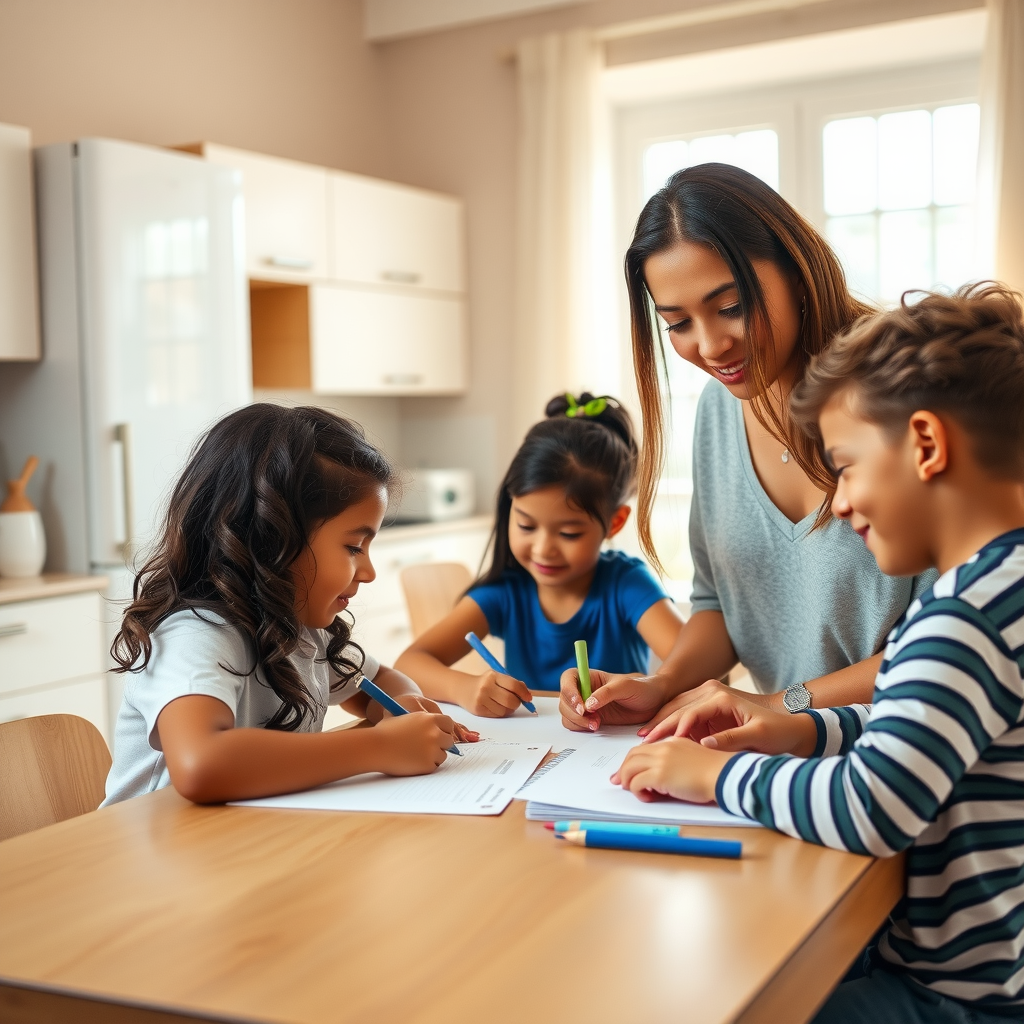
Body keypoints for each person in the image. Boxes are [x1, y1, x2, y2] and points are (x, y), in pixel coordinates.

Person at [616, 284, 1024, 1022]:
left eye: (846, 465)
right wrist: (801, 729)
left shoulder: (962, 620)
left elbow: (872, 807)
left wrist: (718, 775)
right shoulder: (1001, 589)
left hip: (959, 997)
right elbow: (923, 729)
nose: (837, 502)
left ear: (927, 446)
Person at [560, 162, 935, 735]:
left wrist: (782, 704)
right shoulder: (717, 412)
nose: (711, 346)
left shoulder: (902, 394)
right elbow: (718, 602)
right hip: (788, 752)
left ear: (795, 267)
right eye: (678, 322)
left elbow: (958, 630)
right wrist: (661, 685)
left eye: (731, 307)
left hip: (913, 750)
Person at [102, 404, 477, 806]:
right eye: (353, 547)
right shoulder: (195, 634)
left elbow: (381, 680)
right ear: (272, 538)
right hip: (152, 856)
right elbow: (200, 765)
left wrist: (400, 705)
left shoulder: (301, 632)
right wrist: (377, 747)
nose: (368, 572)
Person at [395, 393, 685, 717]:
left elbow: (691, 665)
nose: (543, 549)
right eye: (526, 525)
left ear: (614, 523)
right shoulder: (506, 592)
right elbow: (409, 664)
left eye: (569, 533)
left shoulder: (627, 585)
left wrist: (644, 684)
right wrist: (464, 687)